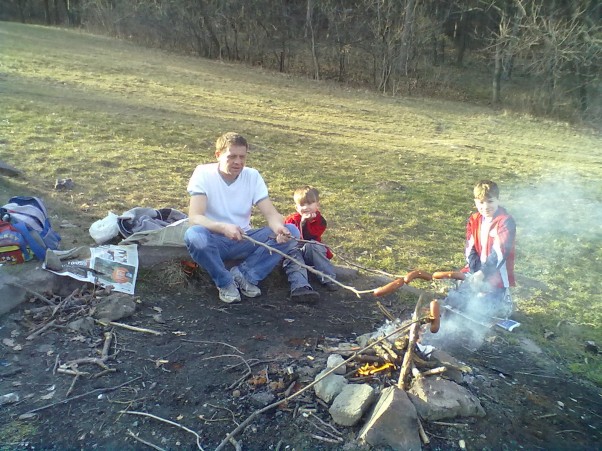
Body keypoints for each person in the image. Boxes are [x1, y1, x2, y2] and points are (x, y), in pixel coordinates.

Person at [184, 132, 300, 304]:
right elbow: (195, 217)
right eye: (232, 157)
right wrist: (223, 227)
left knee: (292, 231)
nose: (238, 162)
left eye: (242, 157)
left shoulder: (252, 176)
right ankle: (225, 282)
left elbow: (271, 213)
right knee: (194, 235)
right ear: (218, 155)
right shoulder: (203, 173)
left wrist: (278, 228)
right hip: (213, 240)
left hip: (243, 238)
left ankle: (245, 275)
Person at [446, 180, 516, 318]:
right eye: (481, 202)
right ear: (476, 202)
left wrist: (483, 274)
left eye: (490, 201)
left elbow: (499, 253)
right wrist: (475, 271)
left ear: (498, 200)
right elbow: (470, 248)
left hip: (496, 276)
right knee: (453, 302)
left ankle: (503, 299)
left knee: (480, 309)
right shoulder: (474, 219)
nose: (485, 207)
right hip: (476, 271)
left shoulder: (505, 221)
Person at [283, 186, 338, 302]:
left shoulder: (320, 221)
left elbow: (309, 238)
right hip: (295, 250)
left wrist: (305, 224)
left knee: (313, 245)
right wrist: (301, 222)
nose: (306, 207)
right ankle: (300, 287)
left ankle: (328, 279)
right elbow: (291, 239)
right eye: (302, 205)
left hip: (312, 252)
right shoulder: (291, 220)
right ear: (296, 207)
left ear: (317, 205)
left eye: (310, 203)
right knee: (292, 254)